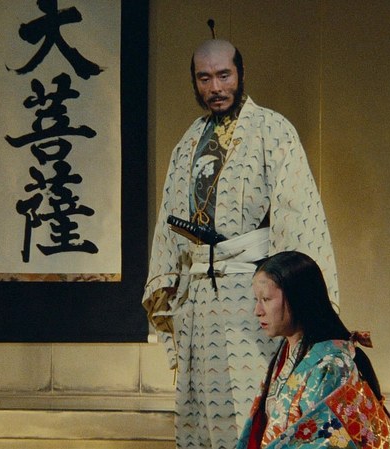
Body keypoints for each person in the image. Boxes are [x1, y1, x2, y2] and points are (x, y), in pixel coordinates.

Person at [142, 38, 340, 449]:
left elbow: (298, 216)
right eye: (205, 78)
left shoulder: (273, 129)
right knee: (200, 415)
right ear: (194, 82)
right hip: (199, 301)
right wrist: (170, 287)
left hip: (252, 298)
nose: (215, 88)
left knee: (255, 410)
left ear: (240, 73)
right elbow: (167, 226)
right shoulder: (188, 142)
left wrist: (293, 296)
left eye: (224, 75)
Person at [237, 251, 390, 448]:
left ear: (297, 297)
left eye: (266, 299)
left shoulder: (332, 365)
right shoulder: (287, 352)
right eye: (257, 300)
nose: (257, 311)